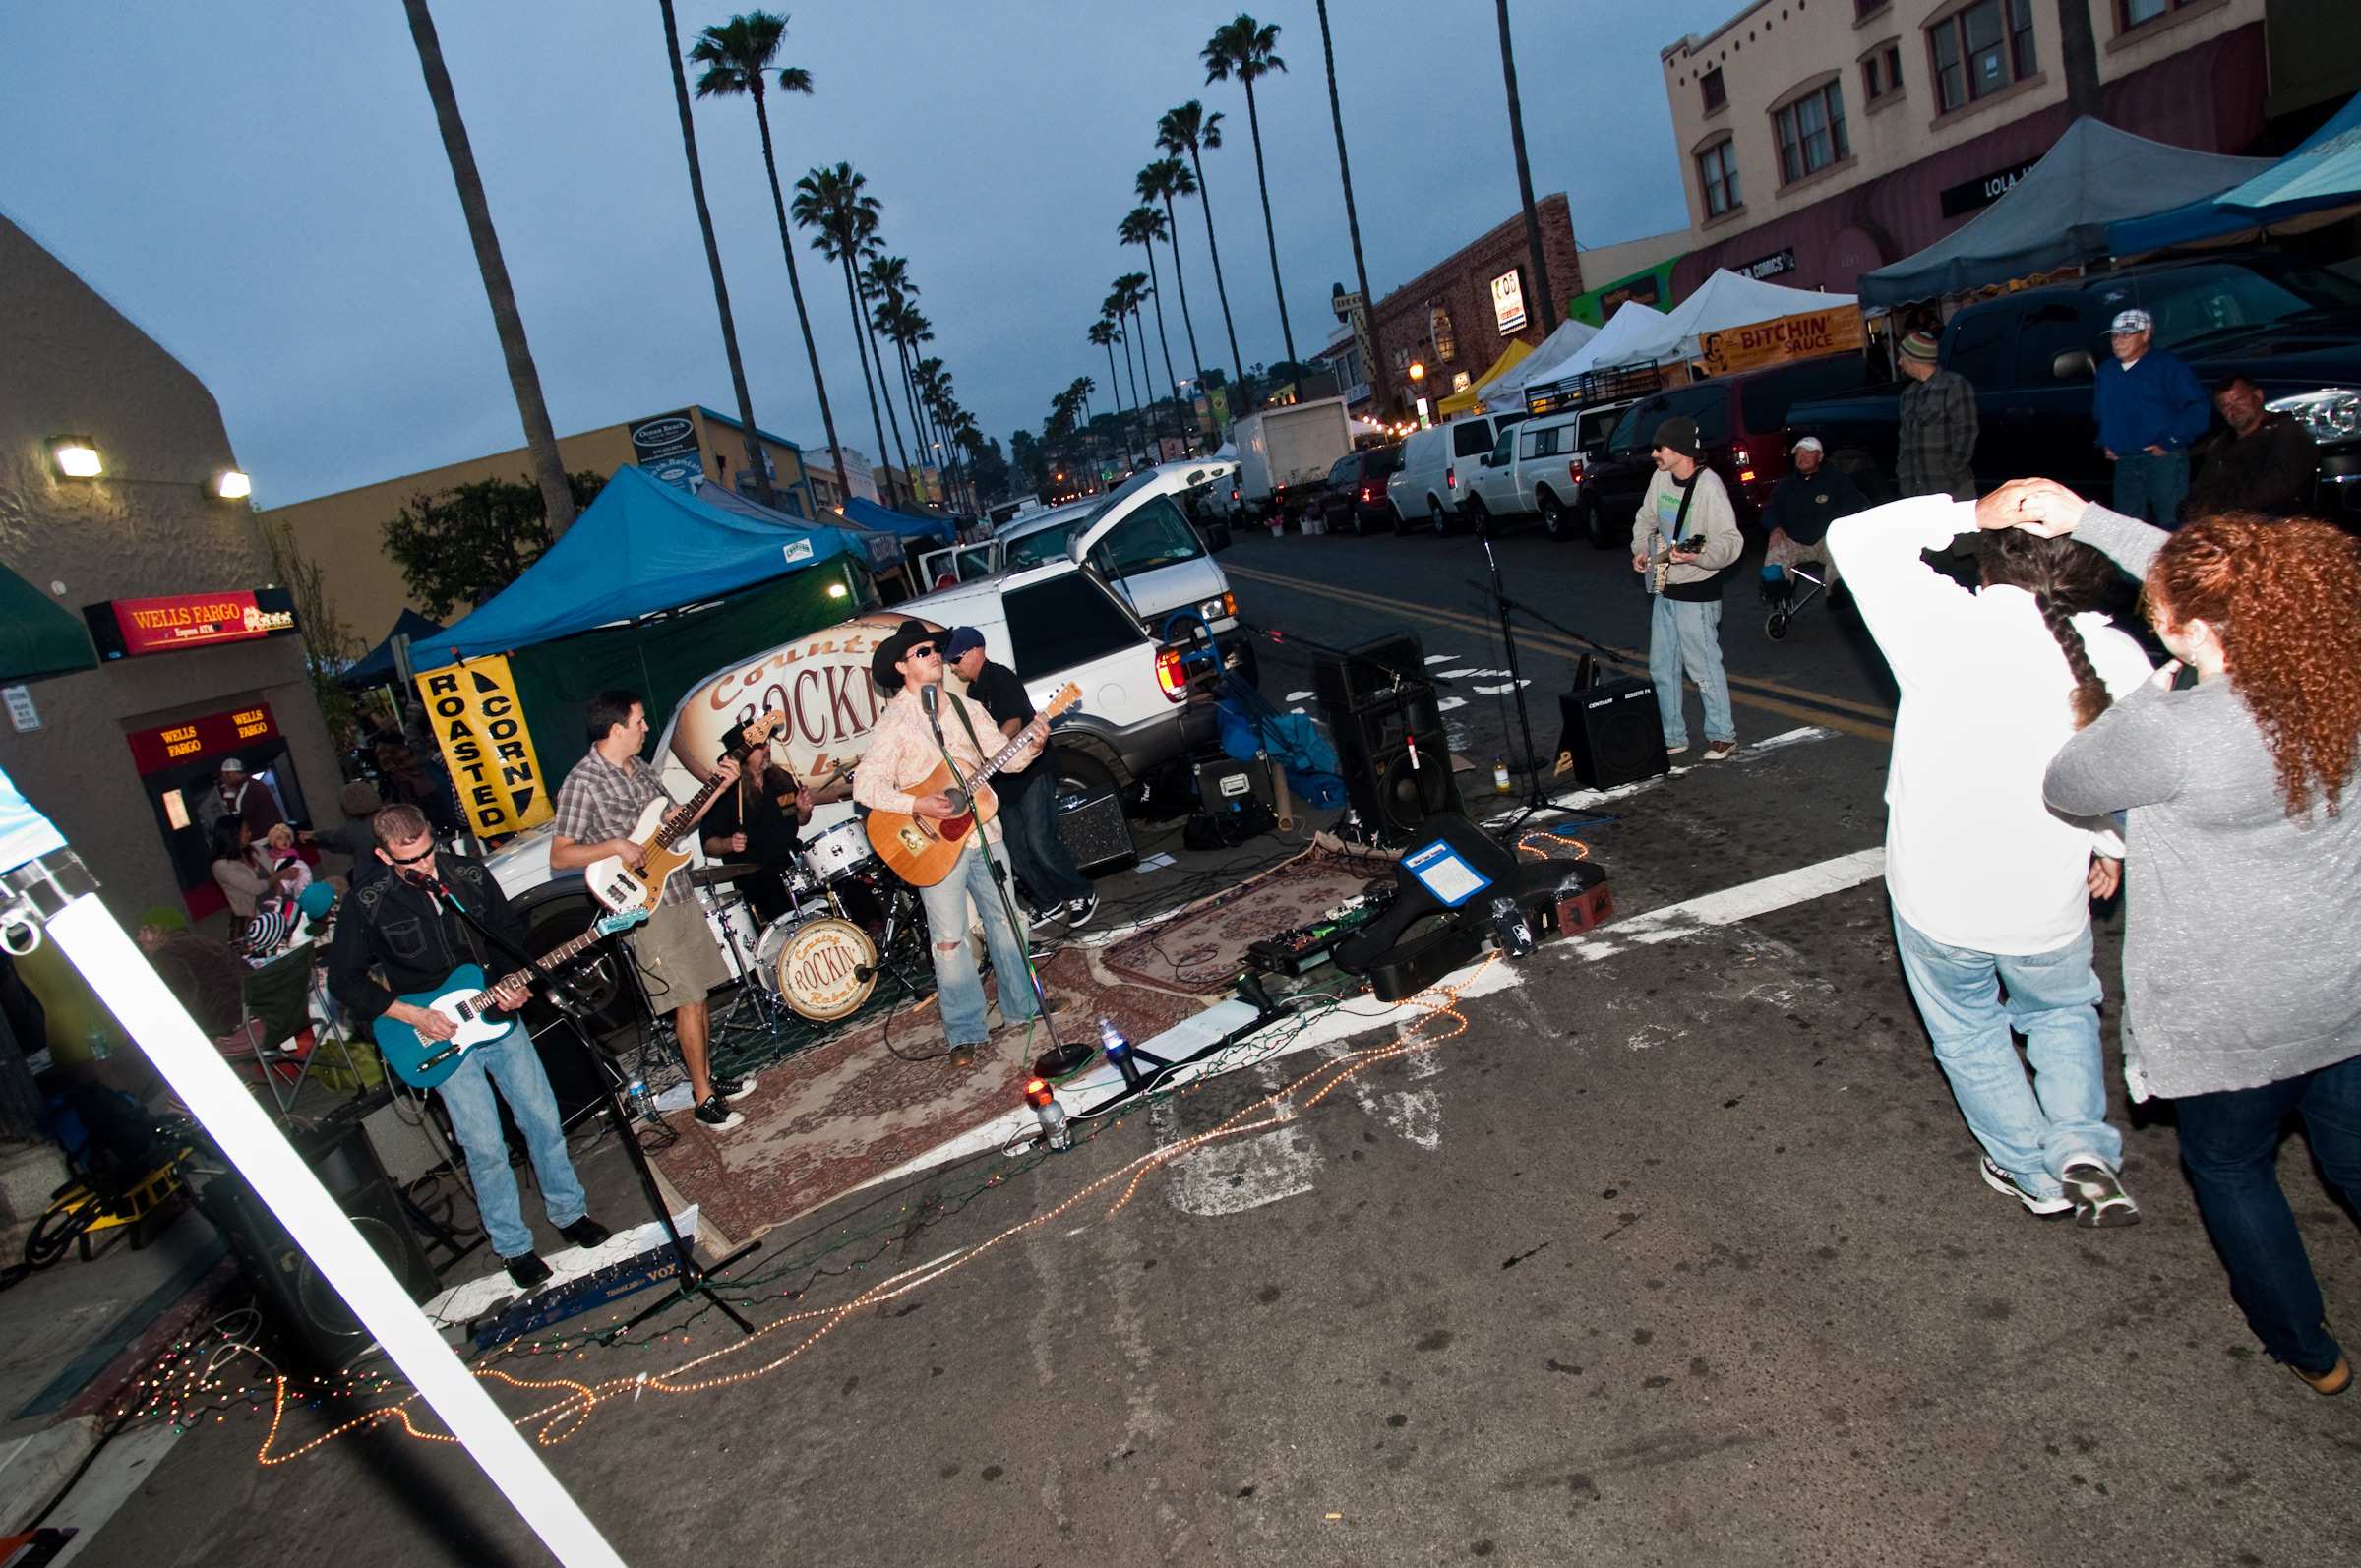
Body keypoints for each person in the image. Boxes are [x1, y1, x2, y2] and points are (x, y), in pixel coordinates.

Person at [1996, 478, 2361, 1396]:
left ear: (2197, 633)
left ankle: (2307, 1349)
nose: (2151, 611)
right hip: (2346, 988)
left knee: (2232, 1167)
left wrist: (2147, 700)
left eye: (2162, 612)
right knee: (2351, 1151)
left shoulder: (2178, 728)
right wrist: (2087, 521)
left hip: (2233, 1015)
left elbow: (2069, 786)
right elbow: (2229, 578)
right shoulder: (2337, 668)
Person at [1828, 493, 2154, 1226]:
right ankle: (2079, 1142)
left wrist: (1974, 507)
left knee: (1971, 1034)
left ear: (1990, 560)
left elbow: (1851, 534)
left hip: (1937, 893)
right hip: (2046, 896)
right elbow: (2134, 776)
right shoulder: (2116, 656)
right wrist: (2111, 845)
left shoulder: (1943, 622)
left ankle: (2030, 1171)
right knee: (2062, 1011)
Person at [328, 805, 609, 1289]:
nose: (423, 868)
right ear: (382, 854)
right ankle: (514, 1247)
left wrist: (515, 985)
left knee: (541, 1117)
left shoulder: (469, 877)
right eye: (408, 862)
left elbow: (508, 938)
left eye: (427, 854)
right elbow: (345, 981)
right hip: (434, 1032)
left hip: (496, 1017)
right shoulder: (367, 902)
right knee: (483, 1145)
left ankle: (570, 1213)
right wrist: (413, 1015)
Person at [852, 620, 1057, 1066]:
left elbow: (1012, 759)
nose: (935, 658)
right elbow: (865, 788)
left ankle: (1022, 1009)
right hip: (931, 848)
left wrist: (1034, 744)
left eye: (934, 651)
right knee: (949, 941)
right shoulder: (895, 724)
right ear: (902, 666)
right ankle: (965, 1034)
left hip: (984, 832)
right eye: (923, 652)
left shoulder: (965, 709)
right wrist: (916, 803)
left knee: (1008, 921)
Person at [550, 691, 757, 1131]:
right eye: (640, 721)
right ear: (616, 728)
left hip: (676, 889)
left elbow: (678, 820)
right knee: (686, 997)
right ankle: (703, 1100)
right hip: (641, 905)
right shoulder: (582, 781)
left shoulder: (642, 770)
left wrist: (719, 786)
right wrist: (615, 845)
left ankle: (705, 1079)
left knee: (699, 993)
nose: (646, 728)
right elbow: (560, 856)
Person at [945, 626, 1097, 928]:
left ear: (977, 651)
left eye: (957, 659)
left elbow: (1014, 721)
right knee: (1014, 848)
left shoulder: (1000, 676)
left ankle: (1081, 892)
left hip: (1032, 772)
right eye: (950, 661)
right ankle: (1049, 901)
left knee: (1040, 840)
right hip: (1003, 783)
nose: (953, 666)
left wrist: (992, 750)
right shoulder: (973, 692)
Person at [1629, 416, 1742, 760]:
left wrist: (1698, 557)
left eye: (1659, 448)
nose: (1654, 454)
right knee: (1662, 667)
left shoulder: (1709, 487)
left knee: (1703, 666)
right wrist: (1640, 550)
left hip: (1697, 593)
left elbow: (1731, 542)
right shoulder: (1660, 478)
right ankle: (1672, 736)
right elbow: (1645, 518)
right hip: (1665, 587)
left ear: (1679, 450)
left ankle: (1723, 735)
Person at [2093, 308, 2210, 527]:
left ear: (2145, 335)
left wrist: (2170, 441)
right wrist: (2106, 442)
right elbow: (2102, 411)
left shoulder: (2166, 366)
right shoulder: (2107, 371)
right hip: (2125, 461)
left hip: (2161, 459)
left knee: (2172, 519)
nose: (2118, 341)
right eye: (2114, 336)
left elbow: (2197, 407)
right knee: (2126, 525)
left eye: (2126, 335)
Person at [701, 759, 817, 927]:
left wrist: (803, 811)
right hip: (755, 877)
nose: (767, 747)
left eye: (767, 742)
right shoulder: (724, 792)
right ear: (744, 753)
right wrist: (729, 843)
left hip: (792, 862)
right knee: (788, 921)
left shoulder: (779, 781)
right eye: (761, 745)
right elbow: (708, 844)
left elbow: (795, 819)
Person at [2186, 374, 2319, 519]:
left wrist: (2222, 507)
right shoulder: (2221, 444)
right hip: (2227, 523)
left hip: (2274, 523)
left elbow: (2278, 486)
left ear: (2258, 396)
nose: (2234, 409)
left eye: (2239, 400)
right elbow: (2201, 486)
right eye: (2225, 406)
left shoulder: (2286, 431)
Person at [1761, 436, 1868, 589]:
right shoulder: (1785, 486)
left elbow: (1855, 504)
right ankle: (1777, 593)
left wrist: (1842, 527)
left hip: (1827, 539)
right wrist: (1775, 528)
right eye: (1798, 453)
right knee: (1776, 552)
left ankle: (1838, 592)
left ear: (1820, 456)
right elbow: (1769, 510)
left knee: (1842, 550)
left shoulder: (1837, 480)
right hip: (1795, 540)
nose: (1802, 457)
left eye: (1808, 452)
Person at [1896, 331, 1979, 502]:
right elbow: (1904, 440)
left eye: (1902, 357)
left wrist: (1951, 470)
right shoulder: (1908, 394)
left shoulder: (1954, 386)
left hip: (1951, 490)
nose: (1899, 362)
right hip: (1916, 492)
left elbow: (1967, 433)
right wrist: (1903, 474)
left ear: (1915, 359)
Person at [210, 815, 301, 921]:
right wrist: (281, 875)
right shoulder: (222, 866)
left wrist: (288, 874)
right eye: (246, 831)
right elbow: (256, 888)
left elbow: (274, 870)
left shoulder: (256, 850)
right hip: (260, 917)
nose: (250, 834)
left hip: (282, 900)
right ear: (234, 835)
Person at [195, 757, 285, 842]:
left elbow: (237, 817)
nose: (223, 780)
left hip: (261, 839)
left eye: (223, 776)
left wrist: (229, 793)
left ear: (231, 774)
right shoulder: (255, 784)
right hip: (274, 835)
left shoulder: (246, 789)